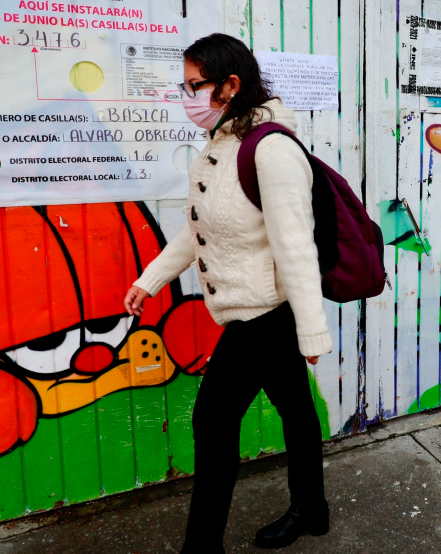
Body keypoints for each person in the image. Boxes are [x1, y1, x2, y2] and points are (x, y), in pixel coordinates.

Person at [123, 33, 332, 552]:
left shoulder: (272, 150)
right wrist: (150, 280)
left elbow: (296, 247)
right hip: (257, 312)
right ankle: (312, 508)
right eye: (185, 84)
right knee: (296, 411)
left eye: (195, 85)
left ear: (230, 85)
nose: (186, 95)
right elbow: (203, 228)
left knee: (213, 422)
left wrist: (312, 330)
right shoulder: (223, 143)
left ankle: (202, 546)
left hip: (264, 313)